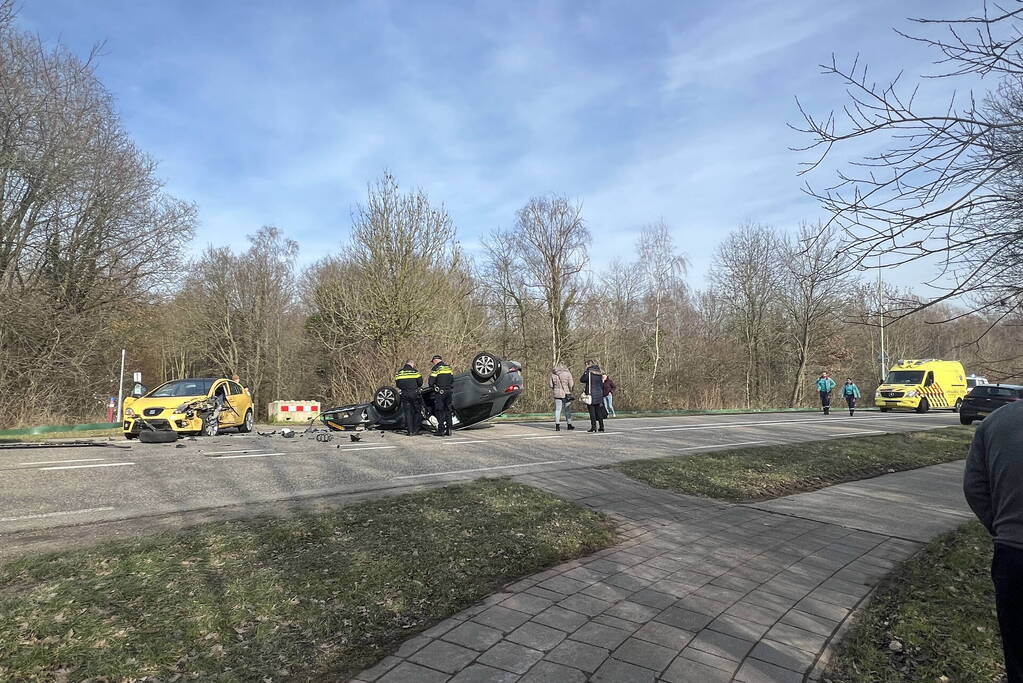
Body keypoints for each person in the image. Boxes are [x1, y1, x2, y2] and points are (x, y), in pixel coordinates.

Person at [964, 398, 1023, 682]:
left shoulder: (995, 422)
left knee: (1018, 652)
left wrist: (1000, 528)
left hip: (1012, 554)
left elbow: (974, 487)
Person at [394, 360, 424, 436]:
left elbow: (398, 384)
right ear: (412, 364)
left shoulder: (399, 372)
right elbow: (420, 383)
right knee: (417, 411)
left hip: (404, 393)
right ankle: (416, 430)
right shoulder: (415, 372)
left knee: (408, 412)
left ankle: (410, 431)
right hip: (414, 393)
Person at [428, 354, 454, 437]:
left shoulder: (436, 368)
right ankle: (449, 429)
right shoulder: (448, 367)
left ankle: (441, 430)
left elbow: (431, 382)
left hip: (440, 392)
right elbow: (452, 380)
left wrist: (434, 387)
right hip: (449, 391)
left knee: (440, 411)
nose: (433, 363)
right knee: (448, 410)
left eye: (433, 362)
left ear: (435, 360)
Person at [580, 361, 607, 433]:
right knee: (598, 411)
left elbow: (582, 380)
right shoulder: (599, 372)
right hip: (599, 393)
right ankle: (601, 426)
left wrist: (585, 372)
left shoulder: (588, 372)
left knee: (592, 411)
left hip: (591, 394)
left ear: (588, 365)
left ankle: (593, 427)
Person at [550, 365, 575, 432]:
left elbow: (551, 385)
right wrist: (570, 390)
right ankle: (569, 424)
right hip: (566, 393)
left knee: (558, 410)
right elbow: (571, 385)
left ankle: (557, 426)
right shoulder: (568, 374)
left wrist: (555, 388)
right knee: (567, 410)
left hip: (557, 393)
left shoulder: (553, 374)